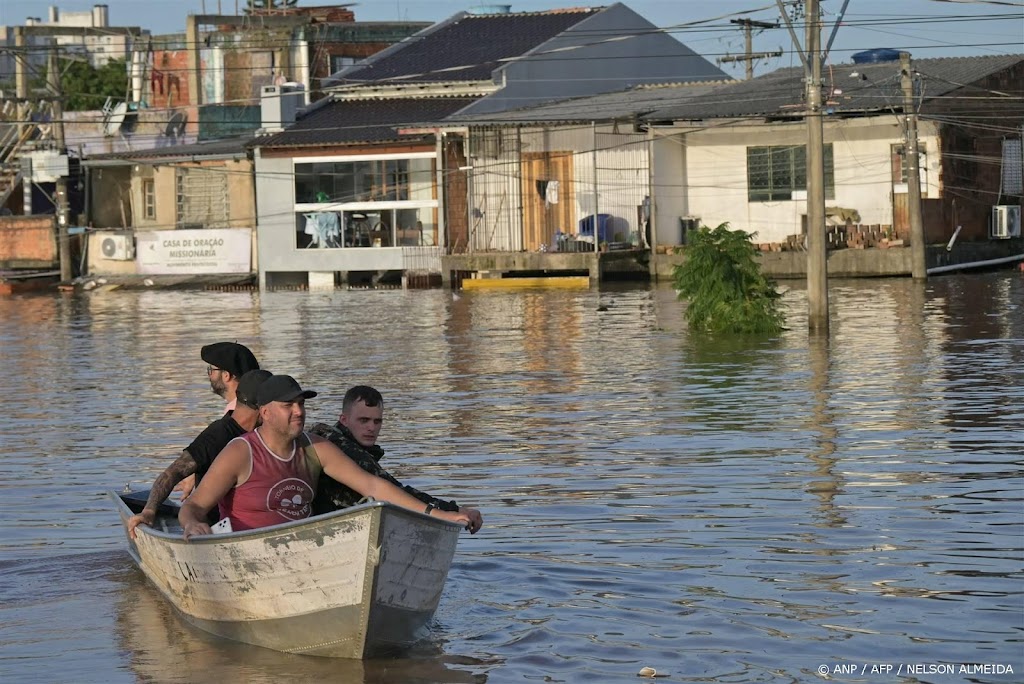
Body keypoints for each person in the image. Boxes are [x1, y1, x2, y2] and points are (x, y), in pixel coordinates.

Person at [178, 375, 473, 538]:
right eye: (289, 405)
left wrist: (441, 514)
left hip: (303, 548)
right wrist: (193, 525)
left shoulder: (315, 447)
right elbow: (194, 507)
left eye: (301, 404)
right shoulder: (239, 452)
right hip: (245, 550)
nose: (299, 411)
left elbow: (373, 487)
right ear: (265, 412)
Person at [309, 386, 483, 534]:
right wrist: (452, 511)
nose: (371, 428)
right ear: (344, 420)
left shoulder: (331, 439)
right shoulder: (340, 445)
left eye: (377, 421)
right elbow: (390, 489)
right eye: (364, 420)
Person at [127, 369, 272, 539]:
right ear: (261, 407)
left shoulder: (266, 433)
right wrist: (149, 511)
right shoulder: (218, 435)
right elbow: (174, 472)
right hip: (213, 531)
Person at [201, 341, 260, 413]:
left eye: (211, 369)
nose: (209, 374)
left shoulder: (235, 415)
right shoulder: (260, 406)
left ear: (226, 375)